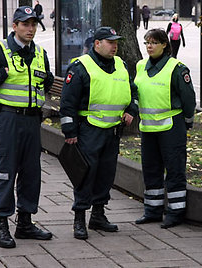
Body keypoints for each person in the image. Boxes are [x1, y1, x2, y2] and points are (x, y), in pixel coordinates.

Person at [0, 6, 54, 249]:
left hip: (32, 121)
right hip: (8, 120)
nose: (30, 29)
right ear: (15, 26)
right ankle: (1, 226)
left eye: (33, 24)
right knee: (5, 172)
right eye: (25, 24)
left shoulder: (40, 52)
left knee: (31, 173)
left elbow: (45, 82)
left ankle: (25, 223)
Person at [59, 27, 138, 240]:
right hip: (88, 130)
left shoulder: (120, 64)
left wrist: (131, 109)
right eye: (110, 42)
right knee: (86, 174)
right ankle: (79, 219)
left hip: (112, 131)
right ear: (97, 44)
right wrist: (69, 131)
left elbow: (133, 91)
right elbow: (67, 103)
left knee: (105, 174)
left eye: (116, 42)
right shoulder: (81, 66)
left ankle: (98, 216)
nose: (114, 46)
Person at [134, 28, 196, 229]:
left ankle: (176, 212)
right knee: (151, 169)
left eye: (154, 42)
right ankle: (152, 210)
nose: (149, 46)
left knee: (175, 169)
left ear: (164, 45)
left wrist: (188, 120)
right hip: (148, 127)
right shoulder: (141, 65)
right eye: (147, 43)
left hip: (171, 126)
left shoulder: (177, 68)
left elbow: (188, 99)